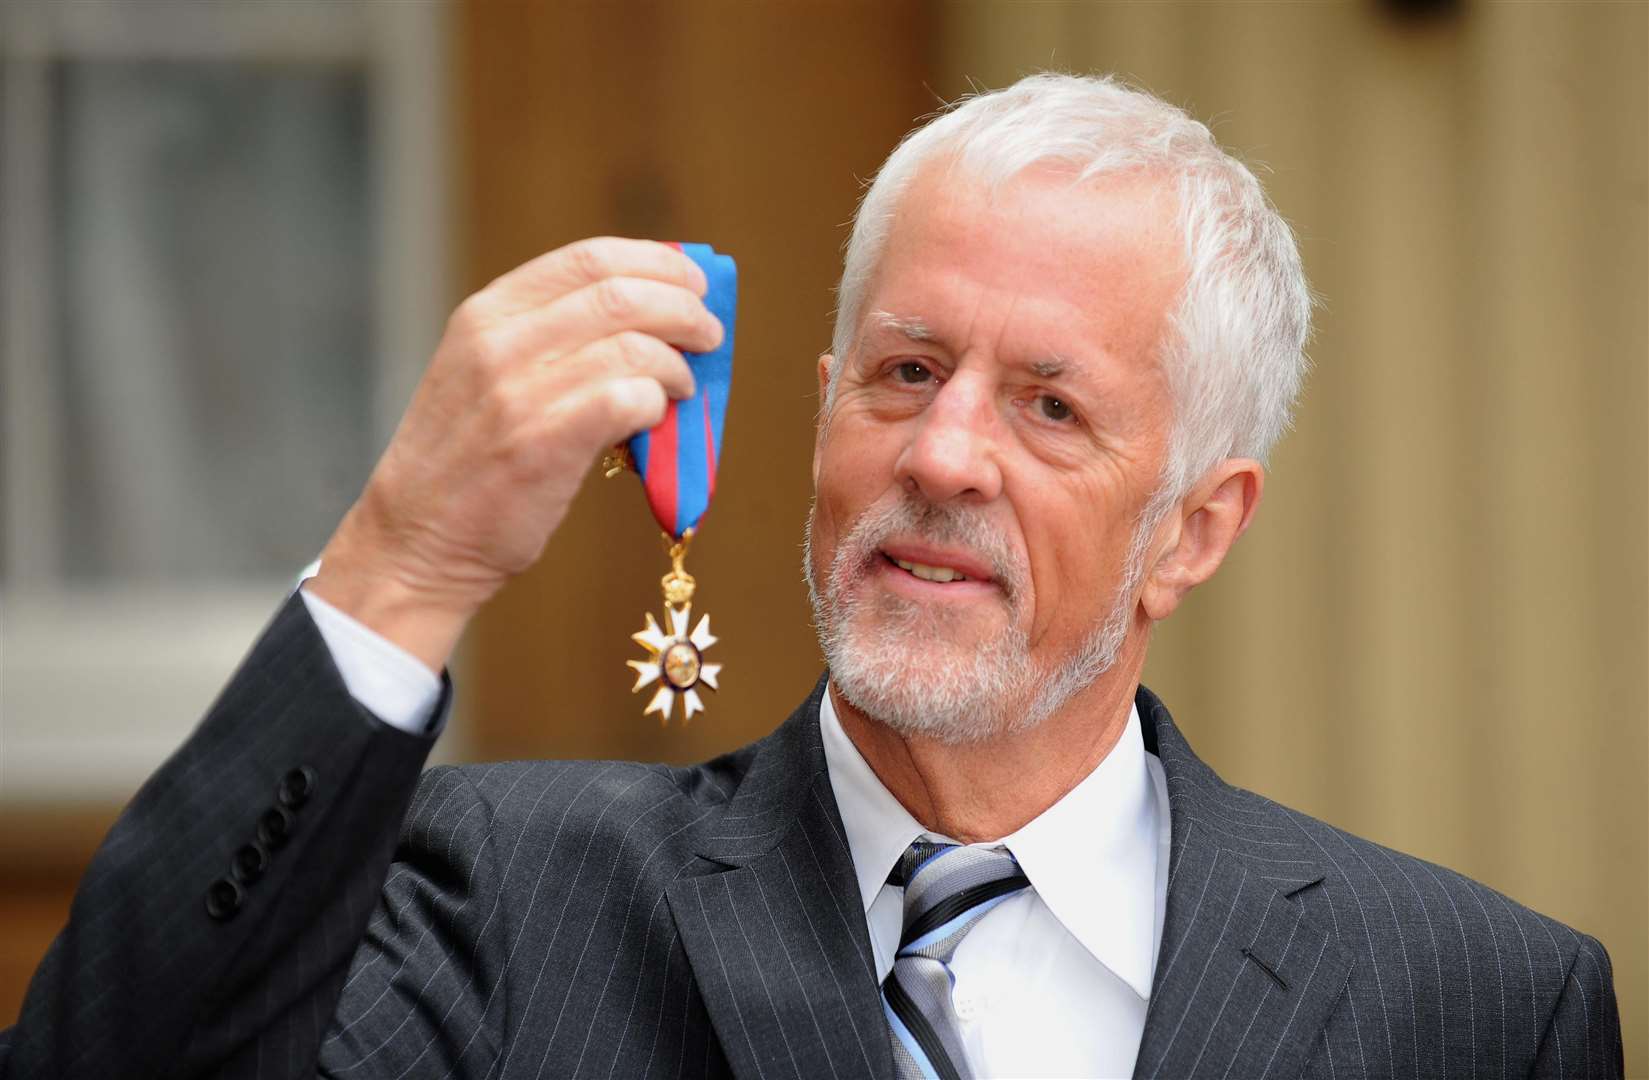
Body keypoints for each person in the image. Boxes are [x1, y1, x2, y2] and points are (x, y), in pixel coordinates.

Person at [0, 73, 1623, 1080]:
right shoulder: (497, 898)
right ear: (823, 406)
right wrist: (401, 561)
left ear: (1193, 528)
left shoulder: (1476, 1004)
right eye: (904, 374)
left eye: (1048, 406)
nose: (942, 455)